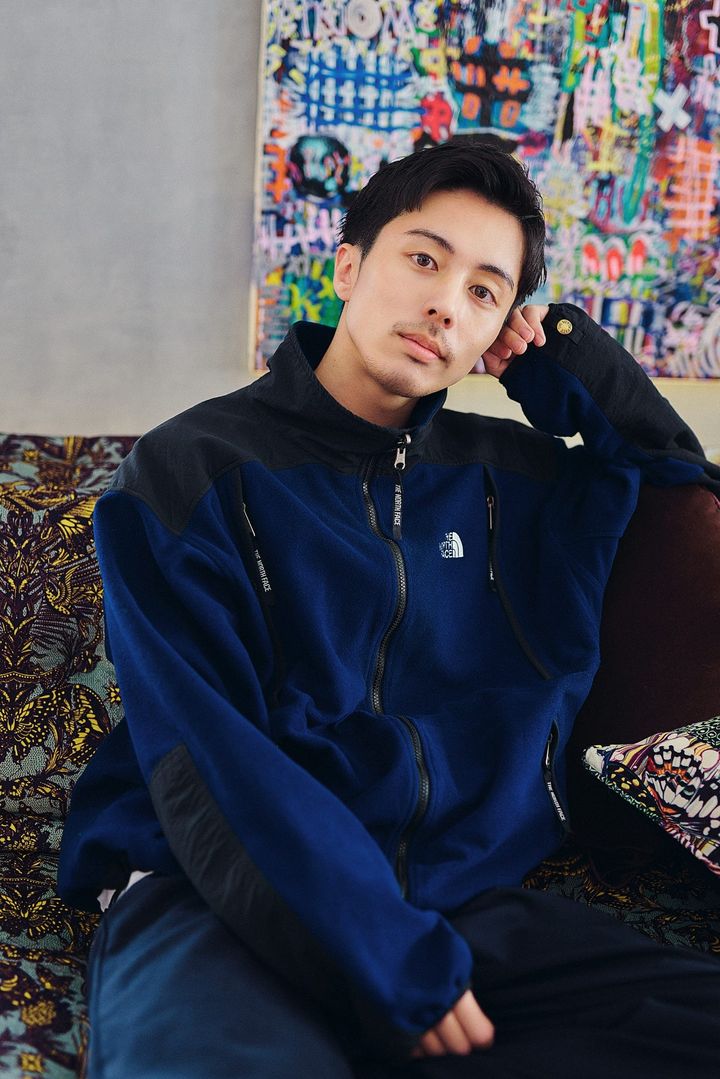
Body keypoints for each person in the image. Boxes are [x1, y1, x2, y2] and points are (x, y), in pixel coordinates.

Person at [58, 137, 720, 1078]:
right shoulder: (189, 470)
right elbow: (209, 755)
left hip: (455, 904)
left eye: (485, 291)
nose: (447, 303)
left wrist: (565, 360)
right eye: (423, 259)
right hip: (218, 892)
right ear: (348, 268)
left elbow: (680, 487)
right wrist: (387, 959)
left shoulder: (516, 480)